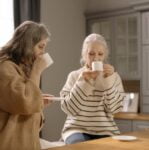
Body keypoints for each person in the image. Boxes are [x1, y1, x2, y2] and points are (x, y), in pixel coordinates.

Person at [60, 33, 125, 144]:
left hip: (106, 130)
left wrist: (108, 82)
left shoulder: (114, 77)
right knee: (80, 146)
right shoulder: (74, 76)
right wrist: (84, 82)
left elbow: (114, 109)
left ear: (104, 56)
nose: (96, 58)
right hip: (76, 129)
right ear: (84, 55)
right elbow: (69, 108)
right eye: (91, 54)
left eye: (100, 54)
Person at [0, 21, 54, 150]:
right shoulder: (5, 68)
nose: (43, 53)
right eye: (40, 47)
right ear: (28, 45)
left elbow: (28, 110)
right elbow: (24, 103)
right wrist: (37, 71)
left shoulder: (23, 69)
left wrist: (39, 102)